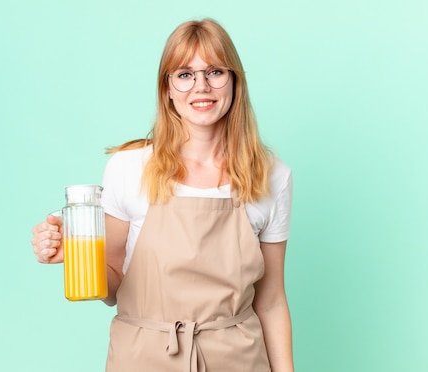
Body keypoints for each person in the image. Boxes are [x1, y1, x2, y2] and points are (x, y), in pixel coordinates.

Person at [31, 18, 294, 371]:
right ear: (167, 88)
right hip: (143, 358)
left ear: (234, 82)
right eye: (185, 74)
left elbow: (272, 301)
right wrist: (73, 254)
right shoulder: (129, 168)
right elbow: (112, 286)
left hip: (238, 360)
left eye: (215, 71)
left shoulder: (272, 175)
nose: (201, 87)